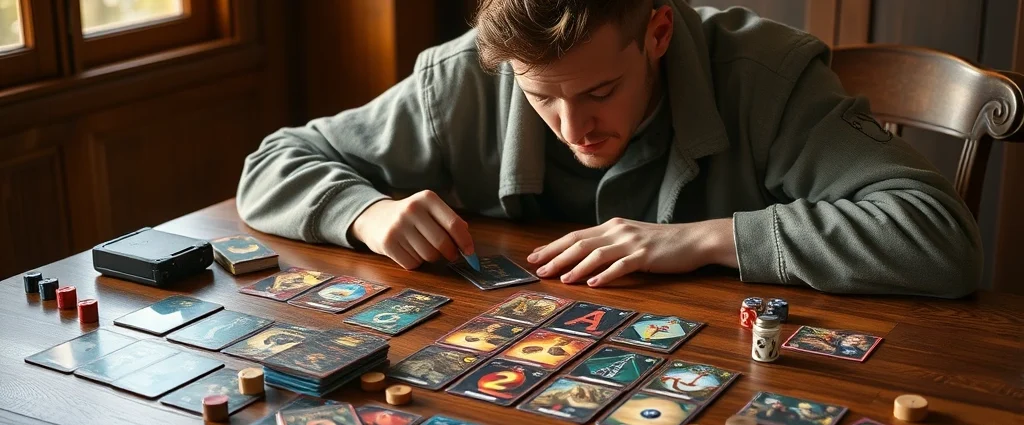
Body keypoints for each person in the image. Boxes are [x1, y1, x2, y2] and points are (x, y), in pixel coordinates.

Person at [236, 0, 981, 298]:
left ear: (658, 32)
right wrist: (366, 213)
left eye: (599, 91)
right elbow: (272, 164)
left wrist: (701, 239)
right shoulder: (467, 75)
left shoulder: (768, 77)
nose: (572, 126)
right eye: (540, 97)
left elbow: (940, 237)